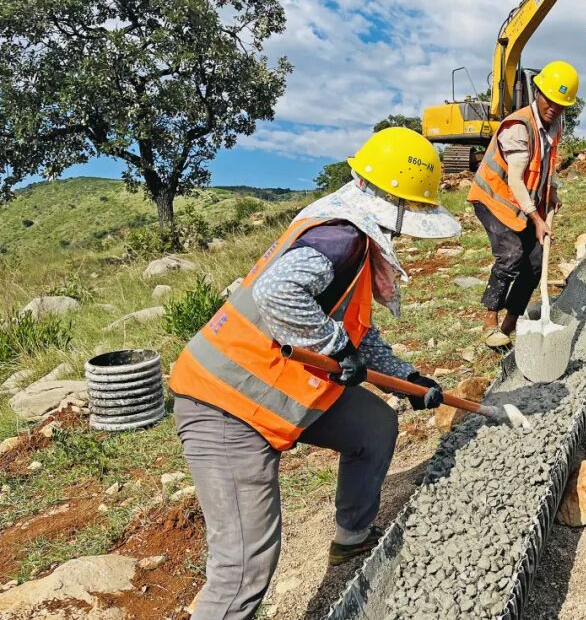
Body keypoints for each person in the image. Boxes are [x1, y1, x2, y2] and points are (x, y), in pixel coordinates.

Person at [169, 127, 461, 620]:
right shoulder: (340, 236)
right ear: (391, 203)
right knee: (244, 568)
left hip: (276, 386)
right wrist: (332, 347)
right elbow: (278, 294)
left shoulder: (353, 240)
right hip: (225, 400)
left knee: (374, 426)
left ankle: (351, 538)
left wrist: (408, 377)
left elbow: (354, 329)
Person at [467, 60, 575, 348]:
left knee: (536, 262)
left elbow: (546, 164)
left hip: (521, 206)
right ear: (537, 93)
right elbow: (515, 179)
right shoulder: (518, 127)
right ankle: (489, 323)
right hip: (494, 199)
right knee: (511, 254)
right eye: (549, 100)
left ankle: (509, 326)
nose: (553, 107)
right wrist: (537, 219)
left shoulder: (554, 127)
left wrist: (551, 190)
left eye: (560, 104)